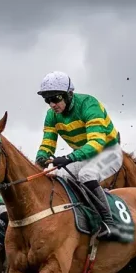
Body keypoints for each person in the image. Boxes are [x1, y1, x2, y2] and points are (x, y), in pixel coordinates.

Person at [35, 71, 123, 236]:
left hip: (108, 153)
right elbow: (48, 143)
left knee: (87, 175)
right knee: (56, 175)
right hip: (83, 156)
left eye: (56, 98)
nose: (52, 104)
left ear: (69, 94)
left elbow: (96, 143)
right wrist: (41, 157)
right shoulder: (51, 116)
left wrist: (69, 158)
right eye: (47, 100)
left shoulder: (89, 104)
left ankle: (110, 222)